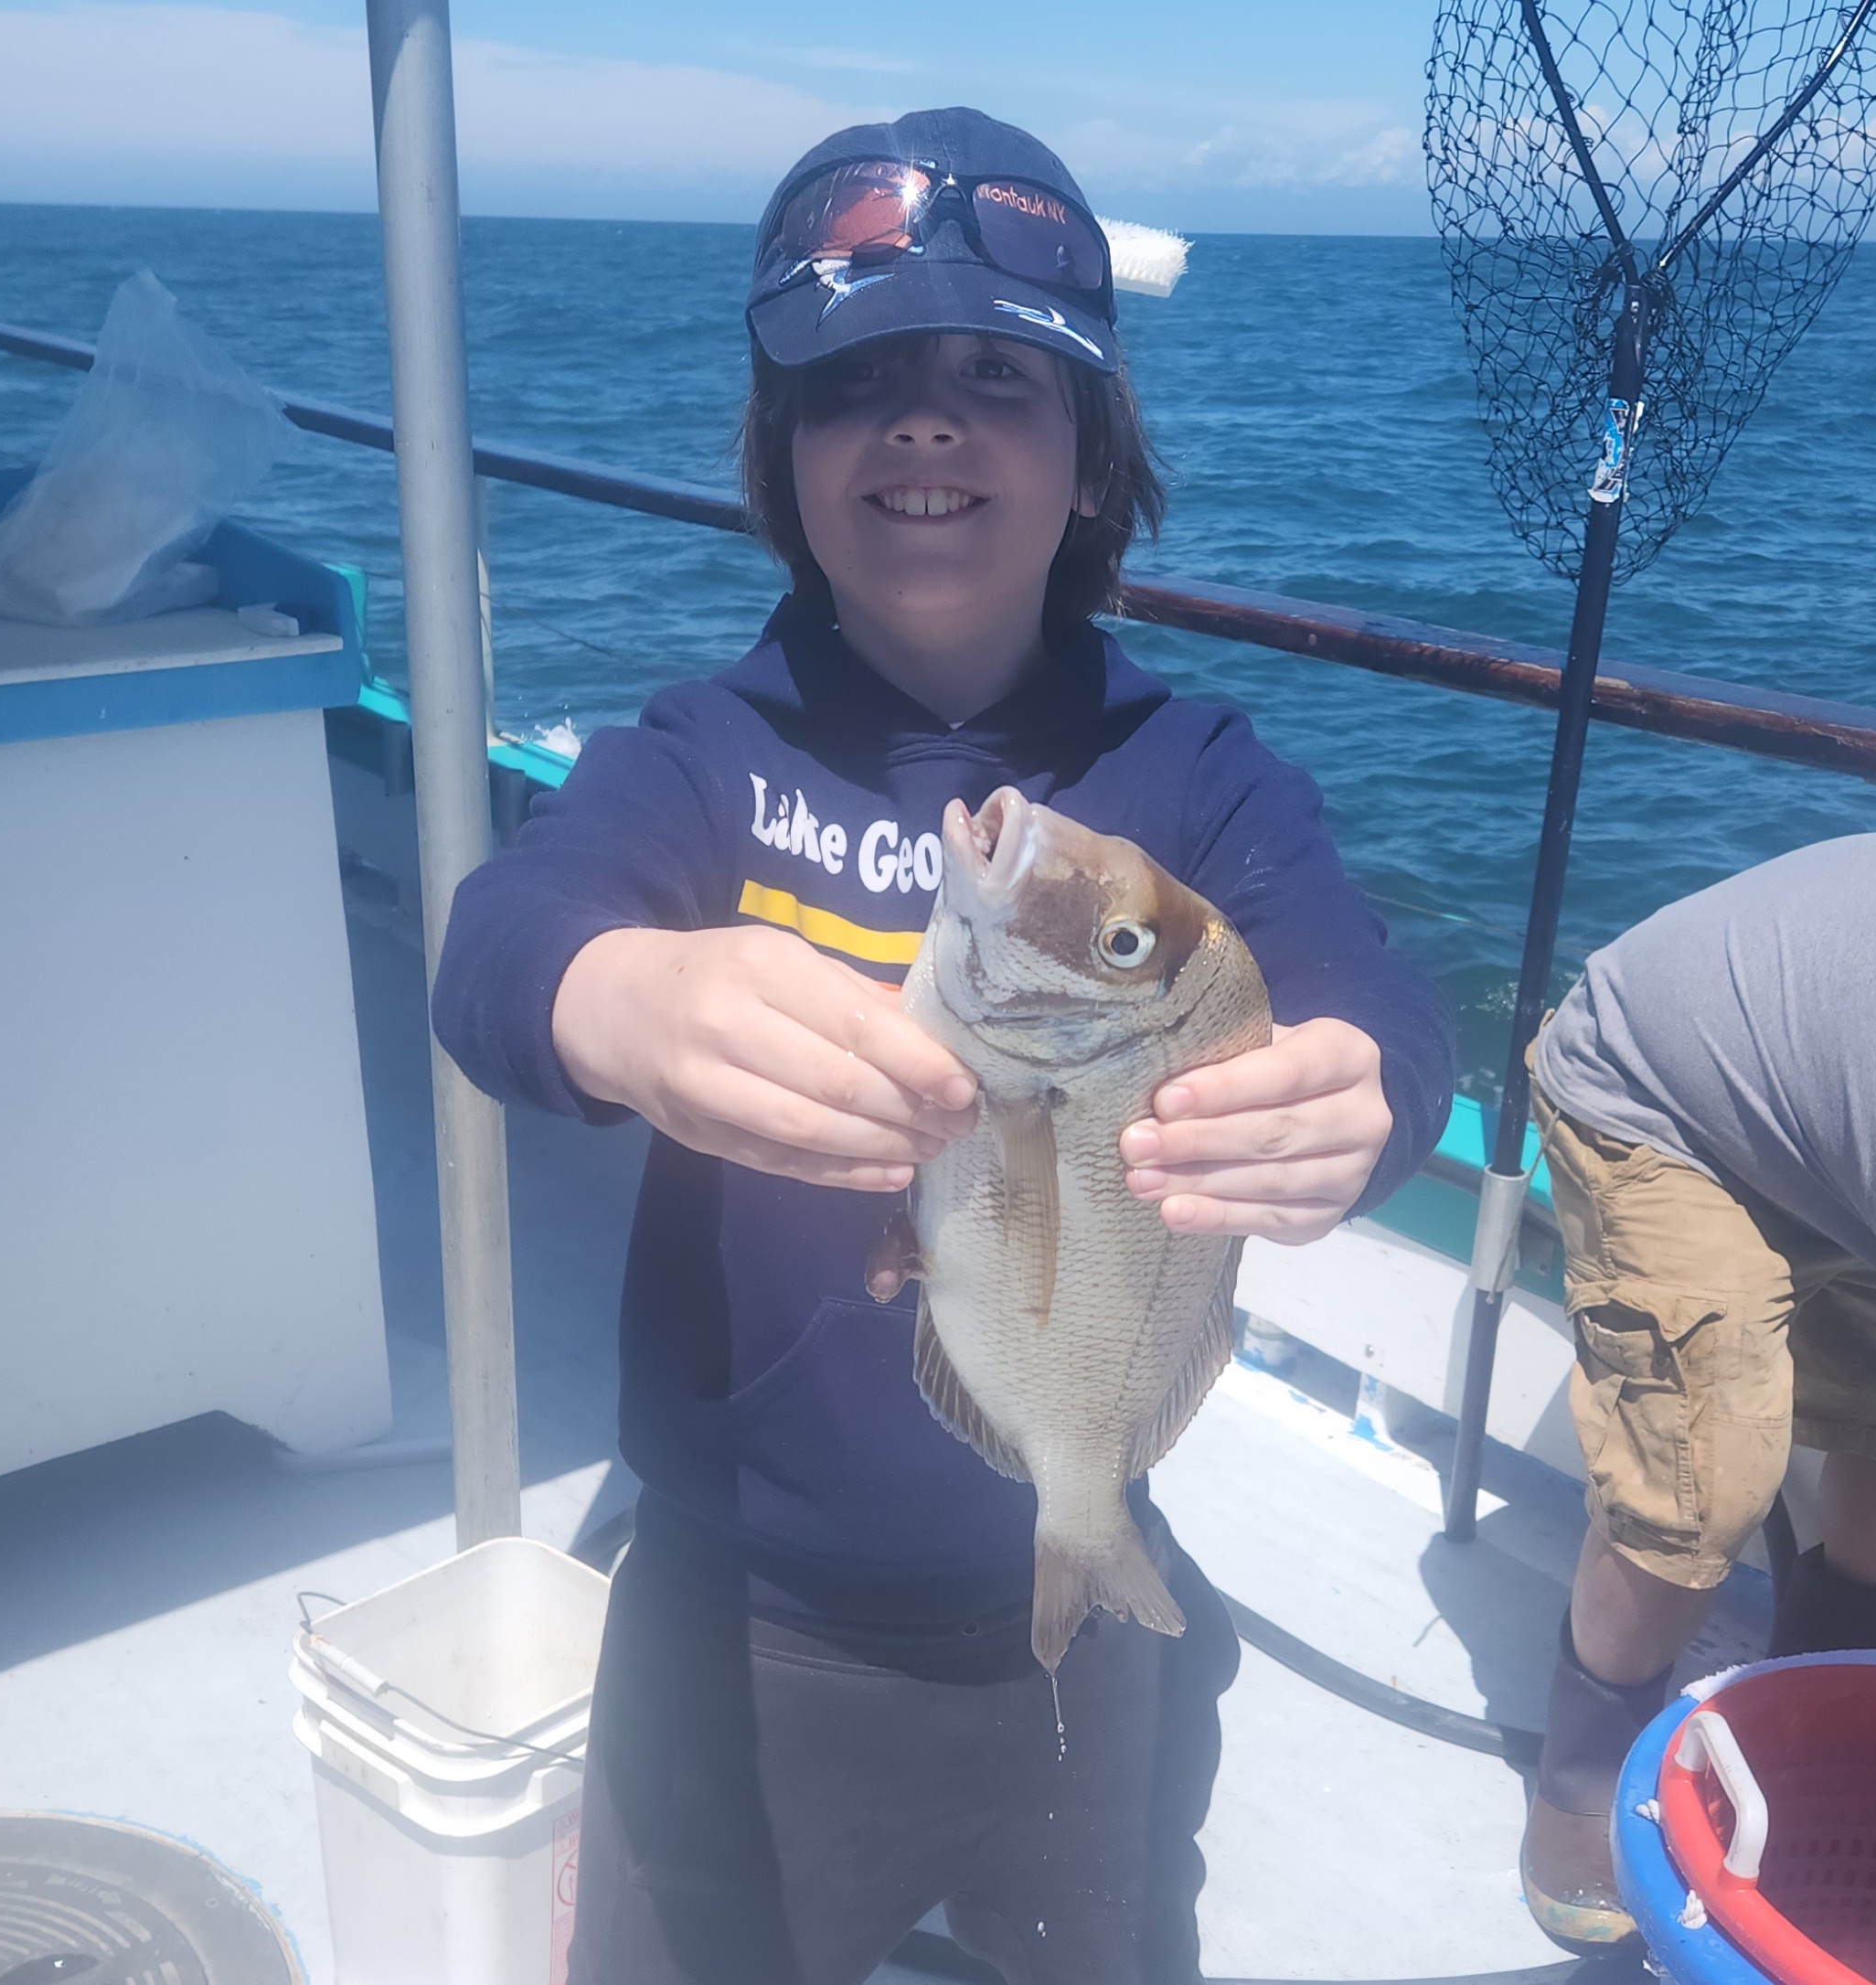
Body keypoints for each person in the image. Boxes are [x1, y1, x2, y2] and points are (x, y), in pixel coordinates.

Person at [432, 107, 1453, 1985]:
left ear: (1088, 462)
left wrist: (1361, 1094)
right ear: (781, 459)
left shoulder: (1196, 780)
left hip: (1062, 1587)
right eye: (858, 383)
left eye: (996, 377)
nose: (923, 421)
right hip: (733, 1607)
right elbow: (499, 943)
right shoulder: (697, 754)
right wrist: (621, 998)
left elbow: (1370, 999)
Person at [1517, 831, 1876, 1953]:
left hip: (1865, 1099)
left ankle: (1818, 1665)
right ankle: (1580, 1767)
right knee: (1695, 1484)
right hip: (1654, 1080)